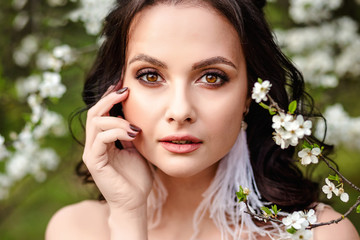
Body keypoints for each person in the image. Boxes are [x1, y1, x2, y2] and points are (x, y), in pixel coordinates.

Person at [46, 0, 359, 239]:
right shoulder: (77, 229)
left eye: (212, 77)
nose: (180, 111)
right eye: (151, 75)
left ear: (250, 95)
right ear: (116, 88)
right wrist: (129, 216)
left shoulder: (319, 233)